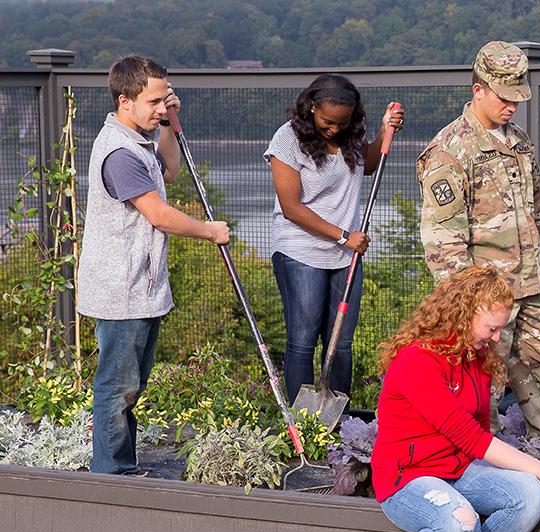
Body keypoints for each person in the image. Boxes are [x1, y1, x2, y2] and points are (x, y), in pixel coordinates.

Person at [77, 55, 231, 474]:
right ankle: (111, 474)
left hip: (140, 289)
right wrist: (209, 230)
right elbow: (159, 214)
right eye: (155, 102)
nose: (163, 107)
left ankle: (120, 465)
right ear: (126, 101)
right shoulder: (119, 154)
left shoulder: (138, 140)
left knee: (130, 386)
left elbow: (172, 170)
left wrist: (167, 124)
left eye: (166, 99)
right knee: (117, 387)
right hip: (120, 289)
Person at [417, 41, 540, 442]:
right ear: (478, 88)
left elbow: (537, 209)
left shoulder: (519, 141)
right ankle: (487, 476)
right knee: (481, 396)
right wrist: (472, 304)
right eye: (504, 97)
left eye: (517, 98)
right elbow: (442, 243)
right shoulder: (449, 152)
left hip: (532, 287)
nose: (512, 106)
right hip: (485, 301)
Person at [371, 266, 540, 532]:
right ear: (464, 315)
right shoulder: (416, 361)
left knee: (529, 496)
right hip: (409, 479)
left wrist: (533, 477)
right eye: (492, 328)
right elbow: (471, 438)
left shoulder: (477, 357)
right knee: (460, 522)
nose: (496, 338)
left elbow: (480, 427)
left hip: (459, 471)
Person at [265, 73, 404, 403]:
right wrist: (343, 236)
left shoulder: (351, 130)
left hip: (346, 254)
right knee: (302, 339)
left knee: (340, 342)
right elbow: (291, 207)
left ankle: (338, 421)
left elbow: (367, 165)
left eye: (341, 123)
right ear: (312, 107)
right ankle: (303, 425)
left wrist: (386, 130)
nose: (334, 129)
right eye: (328, 122)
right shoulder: (287, 139)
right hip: (300, 250)